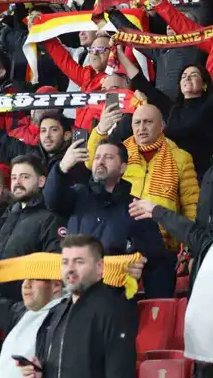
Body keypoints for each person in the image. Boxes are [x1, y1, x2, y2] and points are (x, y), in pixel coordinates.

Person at [46, 139, 174, 297]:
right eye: (97, 157)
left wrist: (156, 305)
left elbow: (156, 263)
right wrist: (61, 169)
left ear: (122, 168)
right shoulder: (77, 195)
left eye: (108, 157)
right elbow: (51, 200)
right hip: (71, 292)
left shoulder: (136, 209)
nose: (100, 161)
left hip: (112, 297)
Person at [21, 235, 137, 378]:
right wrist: (40, 372)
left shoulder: (115, 311)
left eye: (79, 262)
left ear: (99, 267)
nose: (70, 269)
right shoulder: (57, 312)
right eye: (65, 262)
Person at [88, 103, 199, 249]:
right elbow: (91, 162)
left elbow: (191, 206)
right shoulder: (119, 153)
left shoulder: (181, 158)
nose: (141, 128)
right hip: (120, 242)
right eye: (137, 122)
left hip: (164, 245)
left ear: (162, 126)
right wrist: (100, 130)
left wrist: (189, 248)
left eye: (148, 122)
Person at [0, 278, 63, 378]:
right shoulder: (19, 312)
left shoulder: (65, 324)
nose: (26, 285)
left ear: (56, 285)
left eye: (35, 279)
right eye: (25, 278)